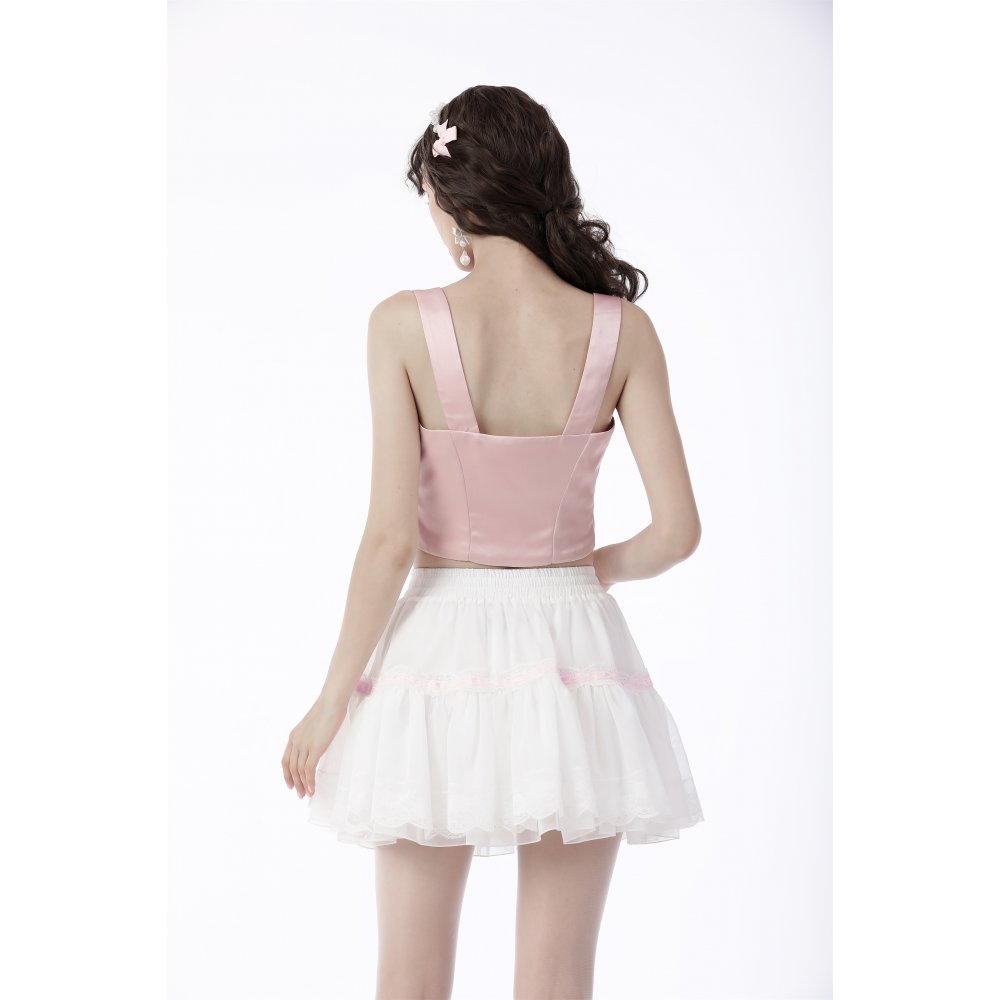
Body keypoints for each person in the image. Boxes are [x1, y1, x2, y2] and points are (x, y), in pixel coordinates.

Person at [281, 85, 705, 1000]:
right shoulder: (622, 329)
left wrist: (329, 701)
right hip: (575, 654)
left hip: (436, 653)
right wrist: (588, 569)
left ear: (451, 195)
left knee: (409, 976)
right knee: (558, 980)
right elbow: (677, 532)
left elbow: (390, 540)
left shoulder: (402, 323)